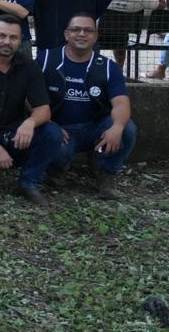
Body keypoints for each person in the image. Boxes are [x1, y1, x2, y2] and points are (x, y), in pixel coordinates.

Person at [0, 15, 61, 206]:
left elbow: (43, 109)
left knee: (52, 133)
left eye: (13, 38)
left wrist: (30, 122)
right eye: (1, 35)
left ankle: (28, 182)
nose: (7, 42)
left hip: (14, 133)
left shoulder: (29, 66)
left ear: (20, 39)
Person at [40, 13, 137, 199]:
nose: (82, 34)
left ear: (96, 36)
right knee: (51, 144)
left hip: (95, 128)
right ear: (66, 34)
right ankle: (57, 169)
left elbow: (121, 103)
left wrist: (116, 127)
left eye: (88, 30)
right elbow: (30, 99)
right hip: (60, 128)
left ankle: (108, 173)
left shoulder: (109, 67)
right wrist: (49, 124)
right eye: (76, 29)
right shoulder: (46, 60)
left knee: (127, 129)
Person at [104, 0, 165, 66]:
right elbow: (163, 4)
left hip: (100, 37)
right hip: (122, 39)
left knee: (116, 32)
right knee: (121, 34)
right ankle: (119, 68)